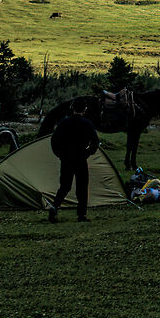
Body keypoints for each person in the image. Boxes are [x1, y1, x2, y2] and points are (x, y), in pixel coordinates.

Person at [48, 94, 101, 223]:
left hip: (66, 159)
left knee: (65, 186)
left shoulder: (64, 122)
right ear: (85, 109)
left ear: (72, 108)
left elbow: (54, 140)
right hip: (81, 158)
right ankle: (81, 215)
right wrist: (88, 153)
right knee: (82, 187)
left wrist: (60, 154)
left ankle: (54, 207)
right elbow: (95, 141)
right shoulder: (87, 123)